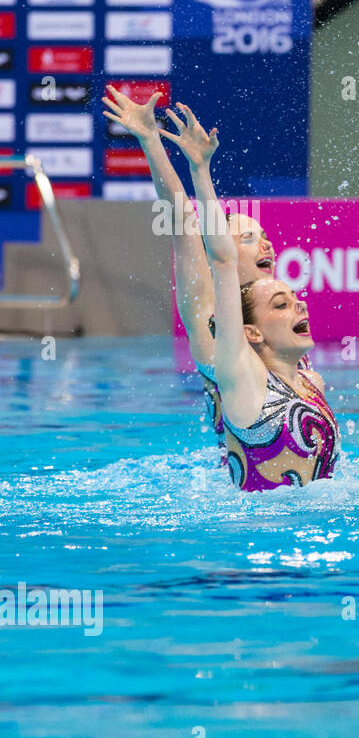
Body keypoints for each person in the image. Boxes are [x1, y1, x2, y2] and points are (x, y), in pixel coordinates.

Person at [102, 86, 289, 460]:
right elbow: (182, 222)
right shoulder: (210, 325)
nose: (266, 245)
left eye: (266, 237)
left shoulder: (282, 318)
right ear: (222, 251)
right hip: (248, 499)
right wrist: (150, 138)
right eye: (250, 239)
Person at [171, 104, 338, 490]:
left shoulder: (309, 377)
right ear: (251, 332)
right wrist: (197, 168)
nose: (267, 245)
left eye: (290, 299)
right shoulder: (235, 363)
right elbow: (214, 254)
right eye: (248, 239)